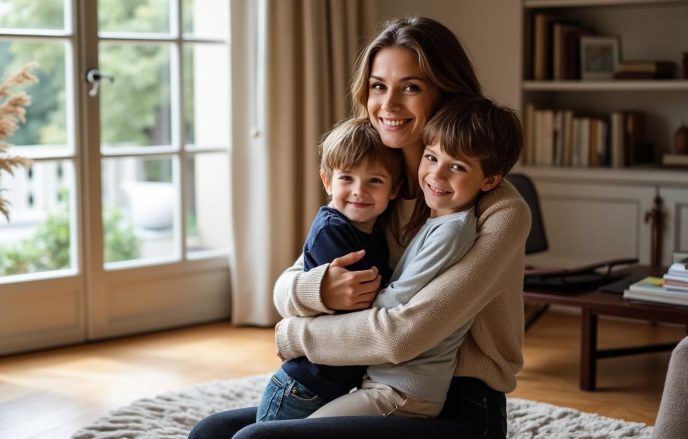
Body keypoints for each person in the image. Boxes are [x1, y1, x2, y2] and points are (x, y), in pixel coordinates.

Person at [190, 15, 530, 439]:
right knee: (211, 432)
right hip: (369, 382)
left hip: (456, 406)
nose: (388, 105)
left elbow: (403, 335)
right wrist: (318, 289)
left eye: (411, 87)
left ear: (447, 93)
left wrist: (297, 334)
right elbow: (288, 284)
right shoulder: (373, 187)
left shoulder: (498, 212)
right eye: (378, 86)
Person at [306, 96, 522, 420]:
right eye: (431, 157)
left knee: (298, 430)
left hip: (404, 392)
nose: (437, 174)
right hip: (382, 382)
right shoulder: (431, 219)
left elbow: (397, 305)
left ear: (490, 180)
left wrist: (340, 313)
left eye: (457, 167)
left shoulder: (453, 231)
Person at [257, 117, 405, 422]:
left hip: (334, 385)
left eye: (374, 181)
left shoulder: (375, 232)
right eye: (346, 178)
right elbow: (364, 302)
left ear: (394, 189)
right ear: (327, 182)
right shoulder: (332, 230)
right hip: (303, 385)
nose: (358, 191)